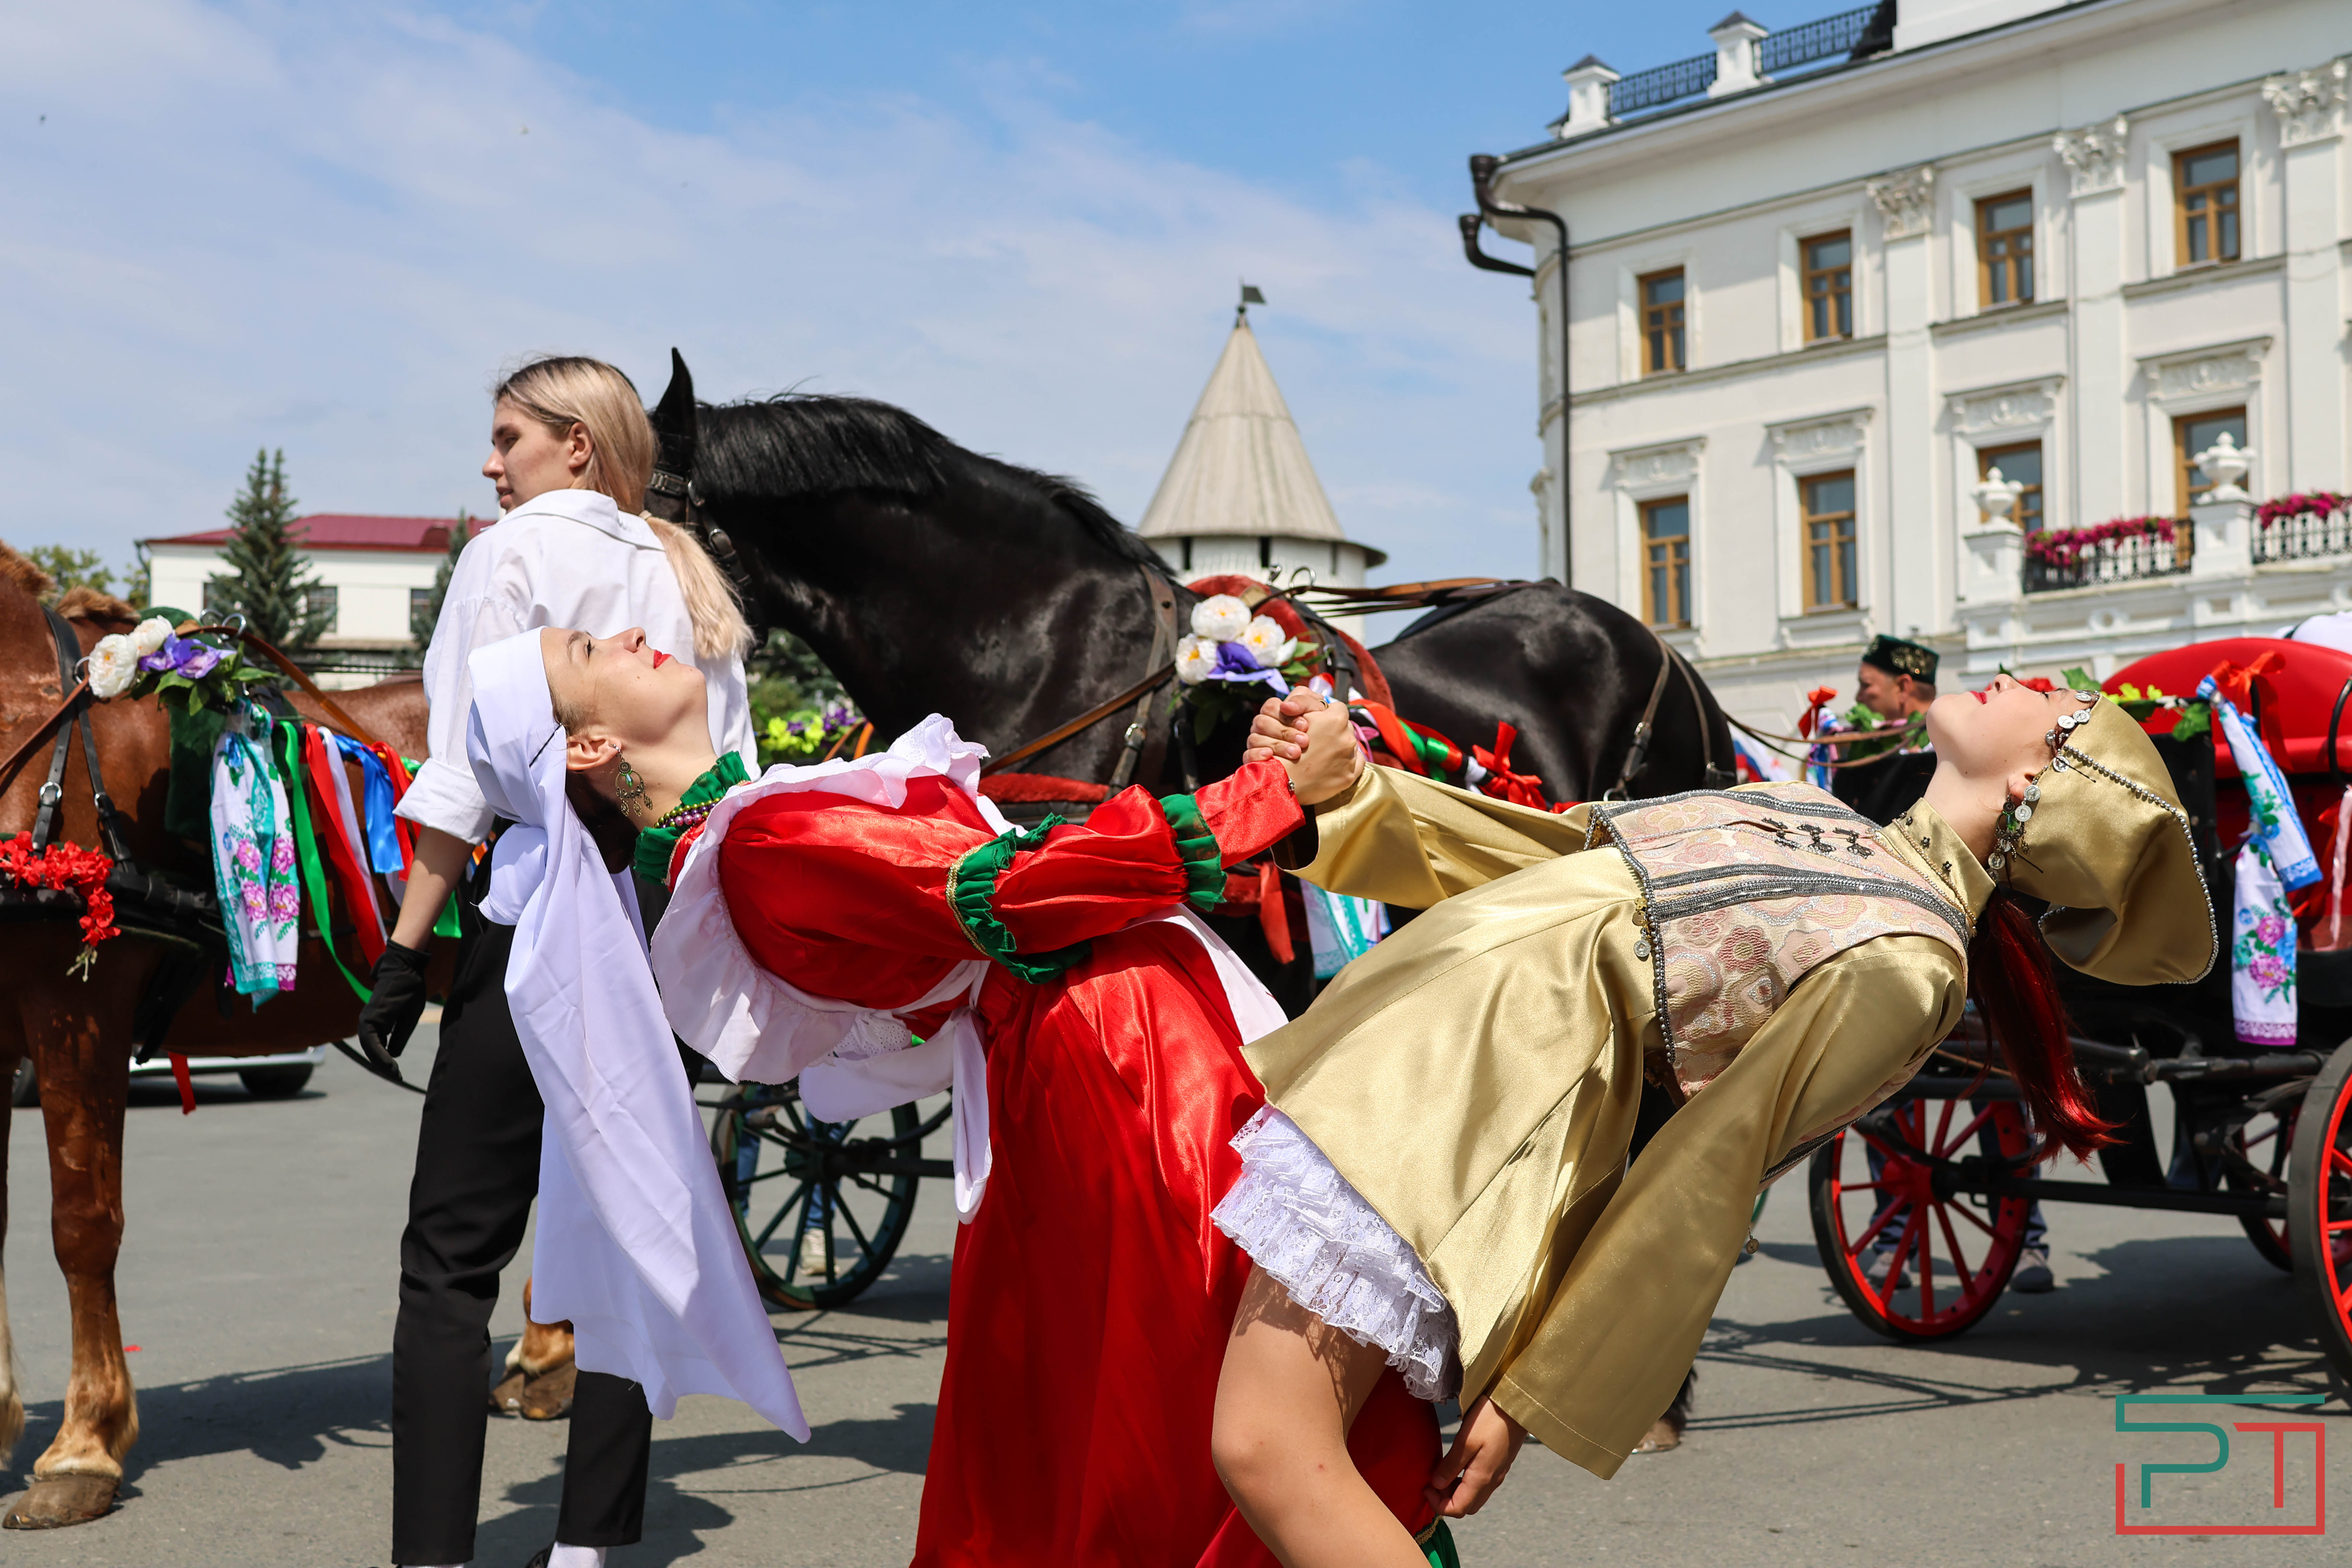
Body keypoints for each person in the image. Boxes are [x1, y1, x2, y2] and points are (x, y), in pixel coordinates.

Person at [1210, 676, 2216, 1566]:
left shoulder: (1914, 965)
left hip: (1472, 1107)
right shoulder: (1801, 805)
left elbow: (1710, 1171)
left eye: (2053, 699)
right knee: (1252, 1438)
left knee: (1266, 1449)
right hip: (1407, 1038)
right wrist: (1342, 795)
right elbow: (1551, 855)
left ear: (2039, 780)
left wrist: (1534, 1394)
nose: (2011, 677)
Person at [523, 623, 1446, 1567]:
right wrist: (1273, 792)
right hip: (1127, 1061)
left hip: (1103, 1046)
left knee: (1198, 1404)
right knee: (1242, 1397)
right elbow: (1017, 890)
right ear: (593, 747)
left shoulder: (748, 834)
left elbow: (1032, 864)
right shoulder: (757, 846)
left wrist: (1266, 783)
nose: (631, 632)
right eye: (592, 650)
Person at [357, 356, 758, 1568]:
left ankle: (433, 1554)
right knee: (633, 1232)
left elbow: (466, 772)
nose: (491, 463)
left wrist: (405, 948)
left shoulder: (513, 554)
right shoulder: (689, 578)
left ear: (576, 445)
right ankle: (592, 1547)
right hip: (658, 921)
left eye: (506, 437)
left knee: (450, 1260)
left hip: (535, 918)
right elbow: (722, 777)